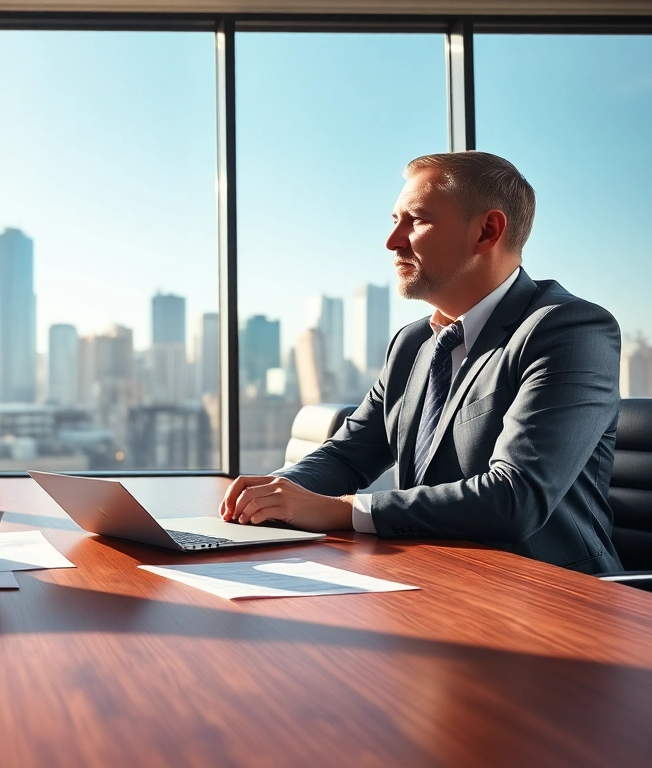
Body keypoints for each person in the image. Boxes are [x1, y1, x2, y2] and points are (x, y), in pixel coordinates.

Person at [220, 151, 622, 574]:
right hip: (432, 577)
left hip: (552, 597)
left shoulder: (570, 330)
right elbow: (348, 455)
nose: (392, 241)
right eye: (393, 221)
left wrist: (340, 510)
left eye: (416, 220)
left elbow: (515, 496)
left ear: (488, 231)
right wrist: (276, 491)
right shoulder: (413, 343)